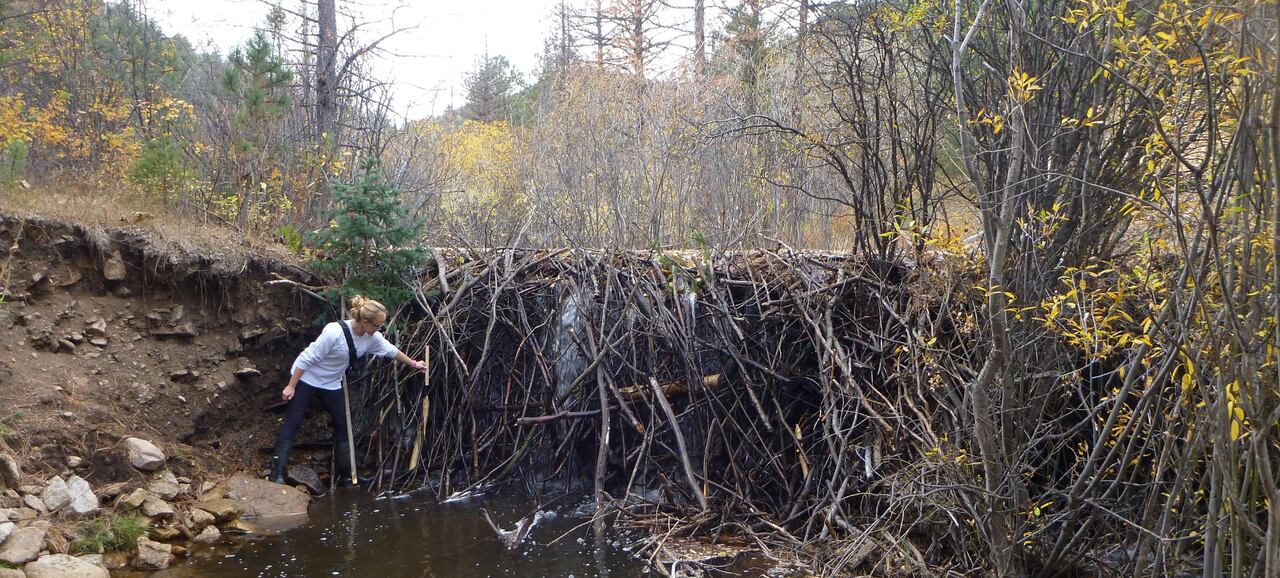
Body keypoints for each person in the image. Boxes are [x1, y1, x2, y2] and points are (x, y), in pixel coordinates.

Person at [269, 295, 426, 486]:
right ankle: (276, 474)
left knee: (343, 426)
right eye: (378, 325)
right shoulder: (334, 332)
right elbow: (306, 358)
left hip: (331, 383)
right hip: (306, 377)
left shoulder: (371, 337)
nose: (380, 329)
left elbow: (390, 350)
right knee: (293, 422)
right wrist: (291, 385)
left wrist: (414, 364)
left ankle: (347, 475)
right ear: (365, 322)